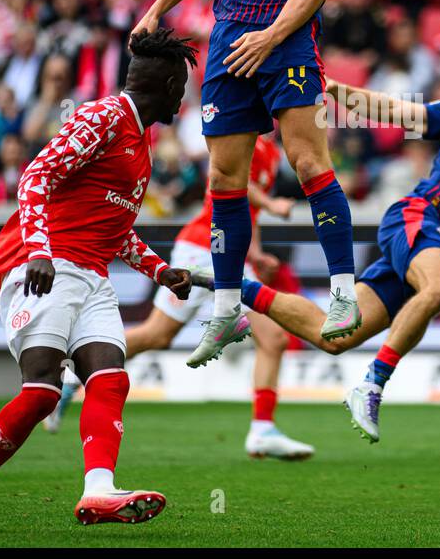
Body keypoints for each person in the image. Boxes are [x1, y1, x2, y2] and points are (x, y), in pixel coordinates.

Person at [192, 51, 440, 443]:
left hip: (433, 249)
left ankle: (227, 284)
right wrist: (340, 91)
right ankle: (371, 385)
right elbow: (399, 112)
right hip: (417, 217)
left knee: (333, 337)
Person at [131, 0, 357, 363]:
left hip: (284, 43)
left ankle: (342, 293)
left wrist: (272, 35)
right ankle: (228, 309)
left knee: (308, 161)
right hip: (230, 38)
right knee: (223, 179)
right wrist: (156, 10)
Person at [0, 28, 196, 534]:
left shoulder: (140, 145)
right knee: (41, 392)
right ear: (168, 84)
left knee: (110, 376)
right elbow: (36, 177)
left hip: (93, 276)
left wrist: (161, 271)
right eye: (182, 84)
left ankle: (99, 489)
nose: (185, 95)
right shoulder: (102, 117)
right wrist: (39, 252)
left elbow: (118, 230)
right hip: (47, 265)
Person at [45, 133, 315, 460]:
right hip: (204, 248)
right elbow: (231, 184)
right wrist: (272, 203)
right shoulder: (243, 137)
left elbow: (245, 212)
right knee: (157, 335)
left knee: (272, 338)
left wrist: (255, 254)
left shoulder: (270, 153)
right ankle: (75, 372)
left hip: (229, 254)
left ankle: (262, 429)